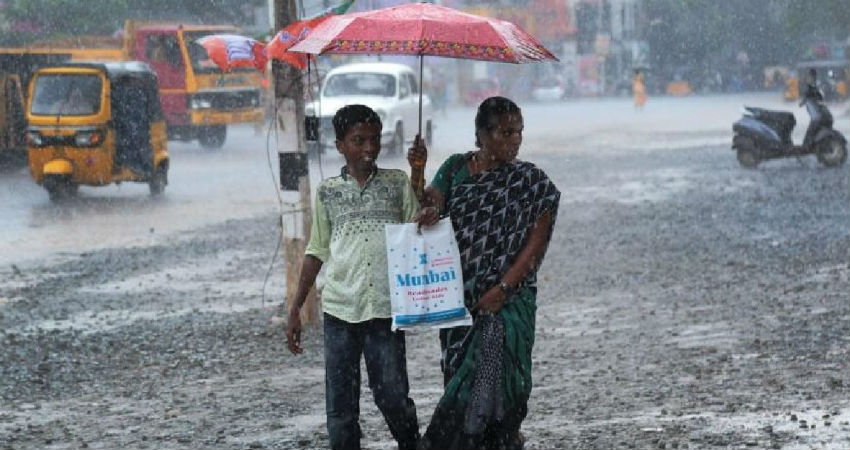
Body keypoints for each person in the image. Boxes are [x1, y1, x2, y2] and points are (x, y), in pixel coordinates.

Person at [408, 96, 561, 450]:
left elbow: (535, 246)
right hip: (459, 296)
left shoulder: (532, 182)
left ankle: (482, 436)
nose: (515, 140)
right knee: (459, 372)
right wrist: (418, 171)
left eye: (519, 132)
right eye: (506, 132)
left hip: (508, 301)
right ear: (481, 135)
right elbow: (428, 206)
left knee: (499, 373)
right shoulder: (456, 169)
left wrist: (504, 289)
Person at [286, 104, 421, 450]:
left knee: (392, 396)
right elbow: (316, 251)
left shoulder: (396, 183)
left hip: (386, 310)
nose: (369, 149)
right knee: (341, 407)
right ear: (340, 145)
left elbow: (418, 229)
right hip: (340, 311)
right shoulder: (328, 192)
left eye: (374, 140)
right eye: (358, 141)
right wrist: (297, 307)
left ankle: (412, 444)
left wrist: (418, 171)